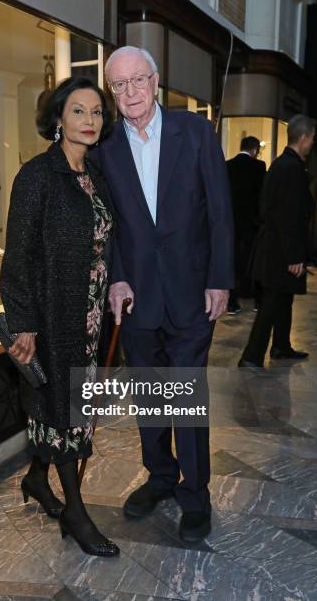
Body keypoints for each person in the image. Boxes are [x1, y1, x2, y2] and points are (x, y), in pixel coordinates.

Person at [95, 46, 234, 542]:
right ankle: (160, 477)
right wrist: (116, 276)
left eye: (138, 81)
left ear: (156, 81)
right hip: (136, 297)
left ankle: (196, 494)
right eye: (119, 85)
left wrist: (220, 278)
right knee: (151, 396)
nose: (130, 92)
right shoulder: (105, 146)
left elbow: (220, 211)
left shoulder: (195, 133)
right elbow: (107, 227)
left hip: (193, 291)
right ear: (111, 93)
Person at [0, 77, 119, 557]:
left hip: (88, 315)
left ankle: (35, 478)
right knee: (65, 410)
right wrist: (23, 321)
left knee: (71, 404)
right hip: (52, 316)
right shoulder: (37, 175)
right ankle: (74, 509)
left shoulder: (95, 174)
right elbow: (18, 255)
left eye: (96, 113)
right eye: (78, 111)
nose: (90, 121)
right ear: (57, 118)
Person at [239, 114, 315, 368]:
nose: (313, 143)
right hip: (281, 250)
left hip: (275, 246)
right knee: (272, 302)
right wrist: (294, 256)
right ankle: (251, 356)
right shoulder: (291, 168)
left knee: (283, 298)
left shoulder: (281, 163)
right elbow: (288, 216)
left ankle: (281, 346)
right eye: (312, 138)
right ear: (303, 138)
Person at [226, 136, 266, 314]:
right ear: (255, 150)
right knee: (254, 261)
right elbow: (262, 197)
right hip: (252, 223)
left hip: (232, 222)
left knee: (232, 262)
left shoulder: (228, 165)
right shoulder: (259, 167)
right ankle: (257, 301)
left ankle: (232, 303)